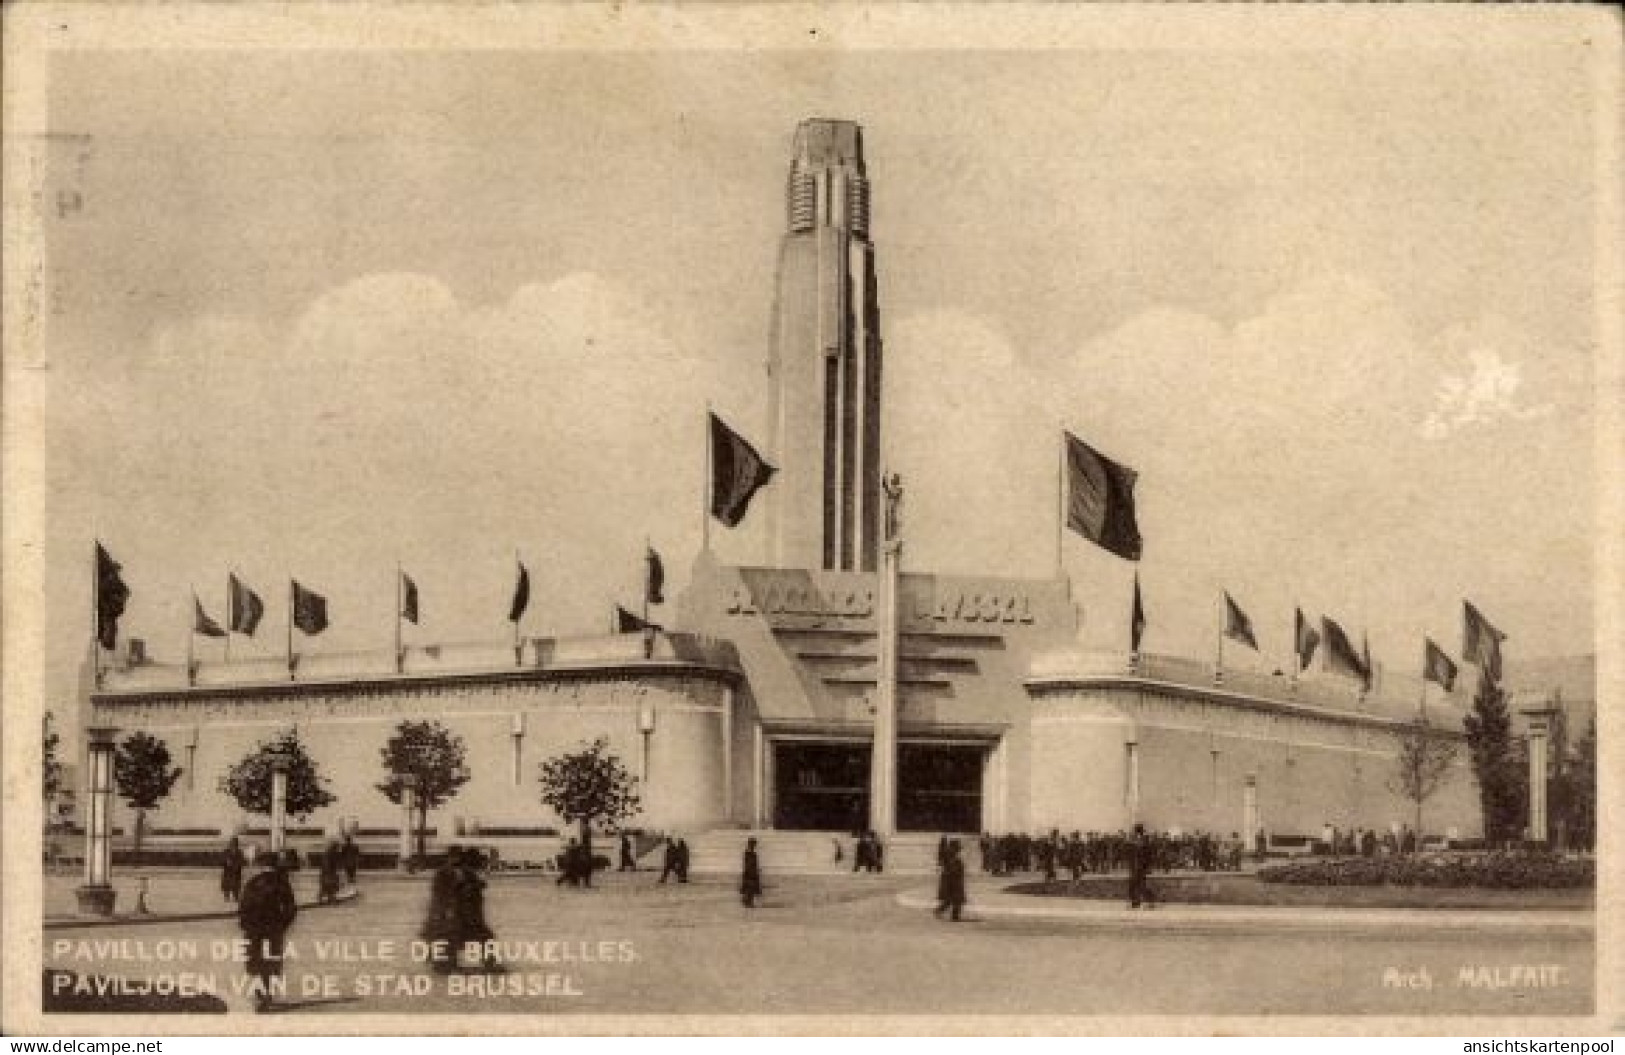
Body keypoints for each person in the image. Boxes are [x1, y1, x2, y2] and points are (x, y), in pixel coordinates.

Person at [238, 847, 297, 1011]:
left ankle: (261, 995)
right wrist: (281, 925)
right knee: (271, 962)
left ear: (262, 865)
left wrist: (246, 925)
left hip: (254, 930)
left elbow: (243, 907)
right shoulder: (281, 883)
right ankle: (266, 995)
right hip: (272, 930)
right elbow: (291, 909)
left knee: (256, 961)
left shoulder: (252, 883)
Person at [421, 847, 464, 973]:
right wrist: (446, 908)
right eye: (455, 857)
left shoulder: (452, 871)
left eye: (457, 857)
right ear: (450, 857)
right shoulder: (444, 872)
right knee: (444, 936)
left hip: (445, 908)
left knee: (449, 936)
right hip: (442, 909)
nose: (456, 860)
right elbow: (441, 892)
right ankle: (442, 965)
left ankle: (448, 963)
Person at [456, 848, 498, 971]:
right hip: (471, 913)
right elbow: (473, 888)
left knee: (476, 938)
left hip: (469, 913)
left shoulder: (465, 872)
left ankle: (450, 963)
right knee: (486, 938)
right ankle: (490, 964)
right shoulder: (467, 873)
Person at [934, 839, 967, 921]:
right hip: (951, 881)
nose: (959, 850)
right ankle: (952, 915)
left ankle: (946, 913)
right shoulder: (951, 858)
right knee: (955, 900)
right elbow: (953, 869)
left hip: (951, 881)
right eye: (958, 848)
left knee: (951, 900)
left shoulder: (952, 857)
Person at [1127, 824, 1156, 910]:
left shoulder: (1144, 843)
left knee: (1140, 885)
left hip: (1140, 867)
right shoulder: (1135, 842)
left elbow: (1148, 857)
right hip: (1136, 867)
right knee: (1134, 885)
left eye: (1136, 831)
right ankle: (1136, 902)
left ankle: (1148, 901)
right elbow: (1131, 856)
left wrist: (1148, 867)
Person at [220, 836, 245, 904]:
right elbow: (221, 861)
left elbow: (242, 861)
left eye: (235, 844)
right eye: (232, 844)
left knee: (236, 886)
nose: (234, 846)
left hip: (236, 872)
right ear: (230, 844)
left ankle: (236, 896)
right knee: (227, 886)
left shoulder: (239, 852)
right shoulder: (226, 852)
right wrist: (226, 862)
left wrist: (236, 865)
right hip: (228, 872)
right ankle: (226, 896)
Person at [739, 837, 762, 908]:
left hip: (752, 871)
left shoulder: (751, 853)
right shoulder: (749, 853)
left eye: (754, 845)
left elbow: (753, 863)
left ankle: (748, 901)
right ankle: (747, 901)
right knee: (750, 887)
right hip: (749, 872)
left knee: (751, 887)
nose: (754, 846)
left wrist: (756, 870)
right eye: (753, 844)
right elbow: (748, 863)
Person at [318, 839, 342, 904]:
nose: (338, 849)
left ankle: (330, 898)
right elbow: (326, 863)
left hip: (329, 872)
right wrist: (329, 871)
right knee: (327, 886)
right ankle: (324, 898)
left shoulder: (332, 853)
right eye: (337, 847)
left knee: (330, 886)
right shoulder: (329, 853)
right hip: (328, 873)